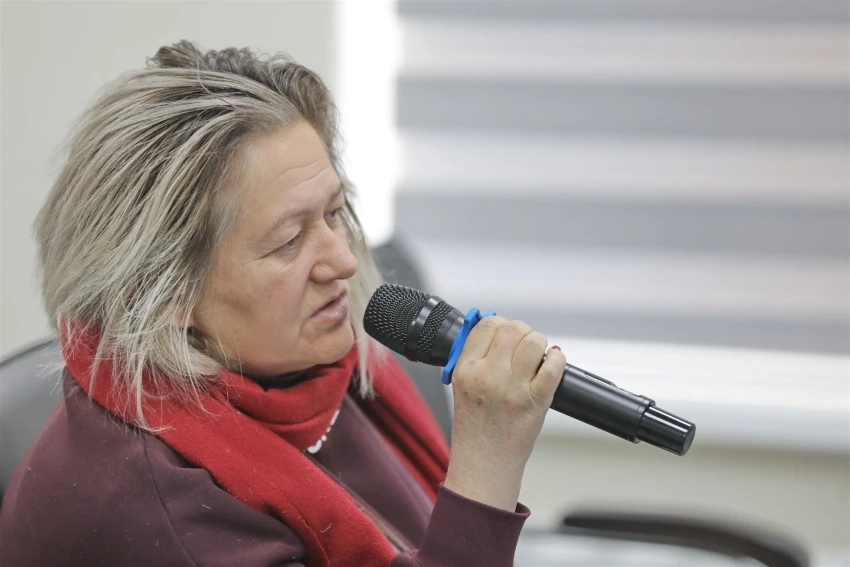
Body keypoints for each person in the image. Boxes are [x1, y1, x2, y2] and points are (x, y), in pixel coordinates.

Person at [0, 41, 566, 566]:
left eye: (334, 214)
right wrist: (487, 463)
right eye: (289, 241)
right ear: (161, 290)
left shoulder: (305, 366)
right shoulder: (162, 514)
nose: (344, 261)